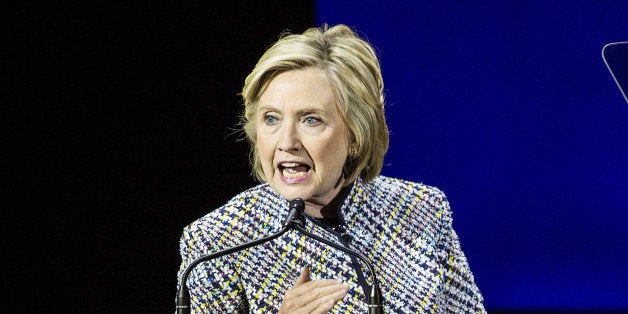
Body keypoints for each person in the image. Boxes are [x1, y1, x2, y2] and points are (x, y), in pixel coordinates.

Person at [177, 24, 485, 313]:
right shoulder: (217, 241)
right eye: (271, 118)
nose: (287, 142)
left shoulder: (420, 210)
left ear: (355, 134)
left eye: (311, 119)